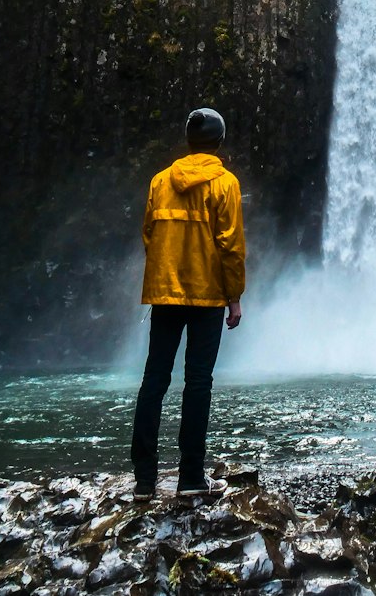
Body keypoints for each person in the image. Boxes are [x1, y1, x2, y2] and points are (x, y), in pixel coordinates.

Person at [130, 106, 245, 499]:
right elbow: (230, 246)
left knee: (154, 380)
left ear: (189, 139)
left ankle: (144, 481)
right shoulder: (225, 183)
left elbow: (149, 233)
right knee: (198, 383)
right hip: (208, 294)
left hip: (165, 291)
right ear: (219, 142)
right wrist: (235, 297)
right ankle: (191, 478)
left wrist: (167, 269)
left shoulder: (161, 180)